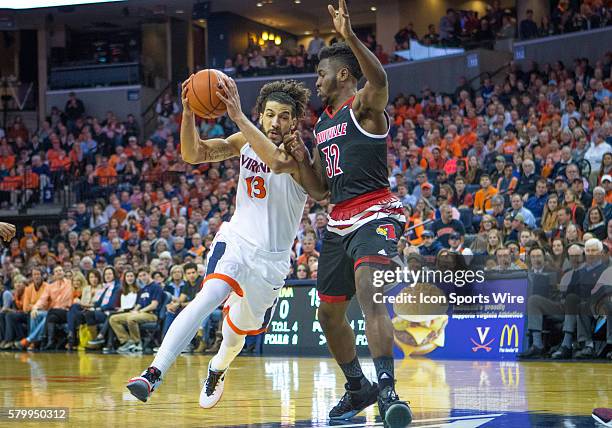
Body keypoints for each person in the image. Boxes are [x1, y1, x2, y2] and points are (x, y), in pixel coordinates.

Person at [127, 75, 310, 410]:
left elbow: (275, 161)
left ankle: (217, 369)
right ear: (261, 115)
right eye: (269, 114)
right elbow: (193, 154)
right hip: (236, 240)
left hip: (271, 262)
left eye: (284, 116)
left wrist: (238, 115)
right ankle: (152, 373)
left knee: (234, 337)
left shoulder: (298, 154)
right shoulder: (245, 141)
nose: (275, 121)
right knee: (207, 296)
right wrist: (188, 112)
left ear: (294, 121)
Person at [285, 1, 412, 425]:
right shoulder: (322, 125)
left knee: (369, 293)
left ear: (341, 74)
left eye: (320, 74)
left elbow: (380, 78)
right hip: (339, 218)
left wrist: (351, 37)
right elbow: (320, 190)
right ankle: (358, 386)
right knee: (328, 313)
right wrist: (301, 158)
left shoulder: (363, 106)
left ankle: (389, 389)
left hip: (376, 210)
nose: (316, 82)